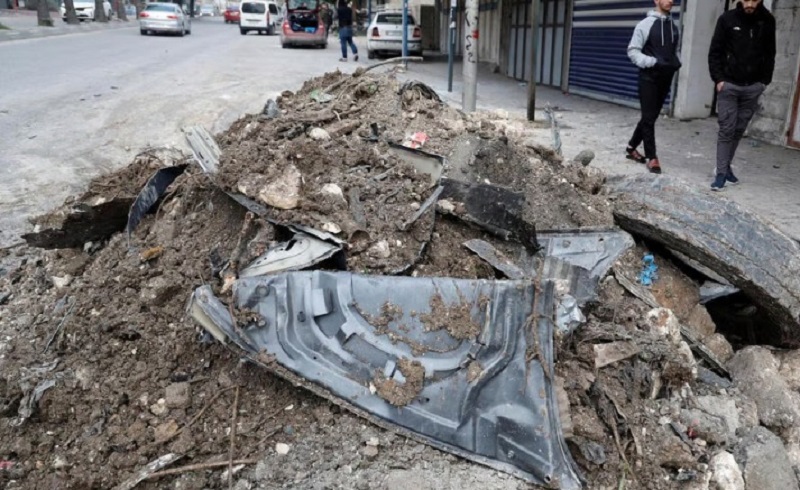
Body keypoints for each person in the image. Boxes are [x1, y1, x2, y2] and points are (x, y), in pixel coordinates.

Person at [707, 0, 776, 191]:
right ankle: (721, 174)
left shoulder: (767, 20)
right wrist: (719, 79)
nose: (750, 4)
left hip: (753, 87)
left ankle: (726, 167)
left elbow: (770, 53)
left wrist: (764, 82)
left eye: (754, 0)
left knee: (738, 130)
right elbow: (715, 52)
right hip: (729, 85)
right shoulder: (727, 19)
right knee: (726, 129)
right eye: (746, 0)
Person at [625, 0, 682, 174]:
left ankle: (631, 147)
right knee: (649, 118)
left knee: (650, 117)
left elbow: (673, 51)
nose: (670, 1)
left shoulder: (673, 26)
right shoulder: (645, 24)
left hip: (666, 78)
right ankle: (652, 157)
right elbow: (633, 51)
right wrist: (652, 62)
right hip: (648, 78)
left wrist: (675, 62)